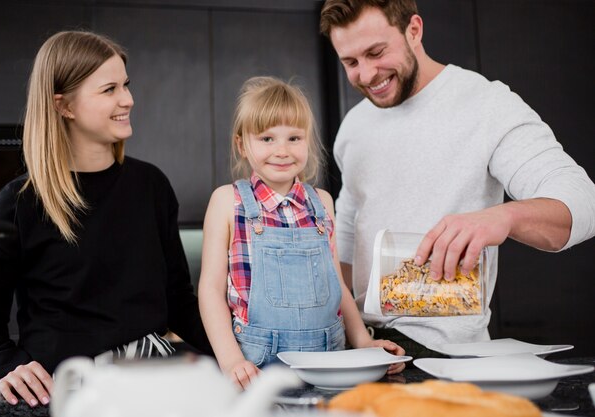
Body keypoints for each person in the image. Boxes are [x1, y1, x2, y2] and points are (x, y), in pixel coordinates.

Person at [319, 0, 595, 357]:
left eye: (376, 52)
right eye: (351, 62)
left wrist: (503, 217)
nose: (367, 74)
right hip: (361, 347)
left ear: (414, 30)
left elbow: (584, 201)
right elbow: (346, 236)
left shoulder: (486, 105)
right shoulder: (355, 125)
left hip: (446, 355)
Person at [0, 30, 211, 406]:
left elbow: (178, 301)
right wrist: (7, 367)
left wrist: (238, 355)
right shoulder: (18, 203)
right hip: (64, 394)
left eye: (126, 85)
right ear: (64, 106)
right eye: (109, 89)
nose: (128, 99)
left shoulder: (152, 186)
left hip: (158, 384)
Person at [198, 76, 405, 389]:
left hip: (330, 362)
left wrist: (363, 341)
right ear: (242, 144)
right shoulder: (228, 201)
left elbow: (337, 284)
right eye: (267, 139)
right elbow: (210, 290)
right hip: (257, 367)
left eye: (294, 138)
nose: (282, 150)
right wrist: (230, 361)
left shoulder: (321, 203)